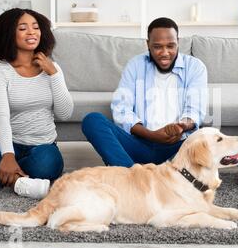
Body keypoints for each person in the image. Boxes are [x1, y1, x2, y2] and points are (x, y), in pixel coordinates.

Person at [0, 8, 73, 199]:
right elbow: (1, 118)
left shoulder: (52, 69)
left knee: (47, 165)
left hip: (43, 148)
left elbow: (65, 114)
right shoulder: (0, 73)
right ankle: (19, 182)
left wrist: (54, 75)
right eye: (23, 28)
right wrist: (7, 155)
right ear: (9, 34)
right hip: (10, 144)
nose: (32, 32)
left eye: (36, 27)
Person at [82, 17, 207, 167]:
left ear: (178, 42)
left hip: (177, 148)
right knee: (92, 120)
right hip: (140, 144)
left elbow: (195, 110)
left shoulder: (195, 67)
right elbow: (121, 109)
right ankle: (131, 176)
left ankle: (136, 174)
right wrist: (152, 135)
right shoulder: (135, 65)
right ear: (148, 44)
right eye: (157, 47)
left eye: (171, 46)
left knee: (206, 138)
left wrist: (180, 127)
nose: (165, 53)